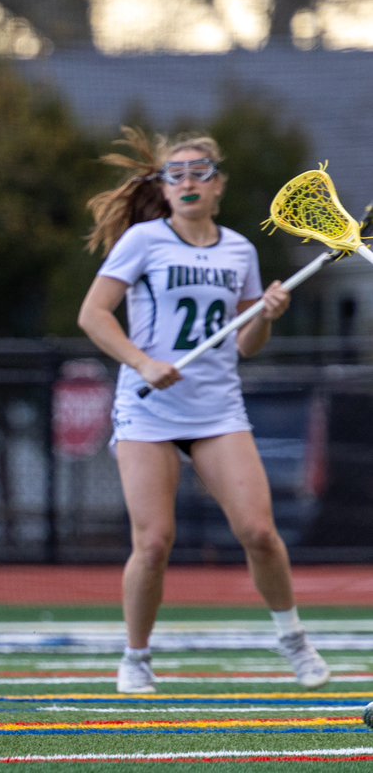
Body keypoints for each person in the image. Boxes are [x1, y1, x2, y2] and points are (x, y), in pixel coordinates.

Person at [77, 128, 330, 694]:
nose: (188, 181)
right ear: (164, 188)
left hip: (217, 409)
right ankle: (136, 658)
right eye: (177, 173)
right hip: (148, 412)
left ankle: (293, 640)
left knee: (260, 532)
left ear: (219, 185)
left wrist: (265, 313)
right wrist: (142, 363)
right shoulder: (143, 241)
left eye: (200, 172)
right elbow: (93, 316)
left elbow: (245, 345)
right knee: (154, 541)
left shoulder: (239, 249)